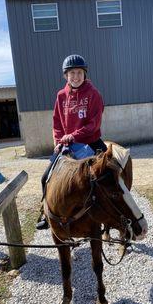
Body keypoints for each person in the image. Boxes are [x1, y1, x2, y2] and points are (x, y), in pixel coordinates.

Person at [36, 54, 107, 230]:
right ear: (65, 76)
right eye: (71, 73)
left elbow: (93, 124)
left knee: (109, 175)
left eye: (79, 72)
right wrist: (59, 141)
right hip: (66, 144)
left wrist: (73, 135)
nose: (75, 76)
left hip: (90, 143)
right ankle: (45, 212)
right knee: (46, 177)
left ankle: (111, 213)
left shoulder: (93, 94)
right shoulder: (61, 96)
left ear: (85, 74)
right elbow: (57, 122)